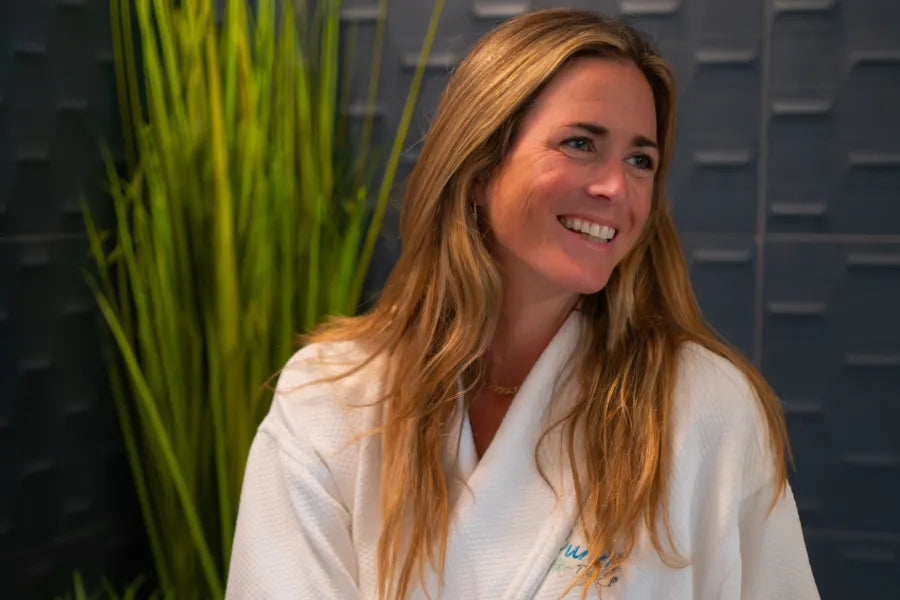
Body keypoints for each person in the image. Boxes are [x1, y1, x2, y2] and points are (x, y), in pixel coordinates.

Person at [226, 8, 820, 599]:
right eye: (580, 144)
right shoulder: (330, 399)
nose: (616, 187)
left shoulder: (704, 408)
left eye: (640, 160)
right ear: (478, 167)